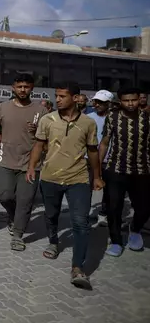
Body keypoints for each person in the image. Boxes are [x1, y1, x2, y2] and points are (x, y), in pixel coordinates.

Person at [26, 81, 103, 290]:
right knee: (51, 215)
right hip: (50, 177)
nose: (58, 99)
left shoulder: (88, 123)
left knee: (81, 222)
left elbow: (93, 151)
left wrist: (96, 176)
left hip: (78, 179)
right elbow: (39, 145)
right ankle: (53, 241)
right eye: (56, 96)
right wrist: (32, 167)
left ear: (76, 98)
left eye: (62, 96)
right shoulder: (47, 120)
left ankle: (78, 267)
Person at [0, 74, 47, 252]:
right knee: (5, 196)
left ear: (32, 88)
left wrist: (38, 131)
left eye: (26, 87)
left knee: (25, 200)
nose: (22, 90)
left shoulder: (41, 112)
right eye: (19, 86)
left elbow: (48, 139)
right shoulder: (2, 108)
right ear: (13, 87)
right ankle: (13, 217)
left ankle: (18, 234)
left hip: (31, 164)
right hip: (6, 162)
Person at [99, 87, 150, 257]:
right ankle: (115, 241)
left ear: (140, 99)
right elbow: (105, 143)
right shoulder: (112, 117)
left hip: (142, 171)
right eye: (126, 100)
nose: (130, 104)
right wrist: (98, 168)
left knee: (144, 207)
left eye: (134, 100)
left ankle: (135, 229)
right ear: (120, 101)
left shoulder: (147, 118)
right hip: (115, 170)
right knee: (113, 208)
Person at [87, 90, 113, 227]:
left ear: (109, 103)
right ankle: (84, 213)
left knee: (108, 190)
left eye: (101, 102)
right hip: (88, 159)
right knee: (86, 188)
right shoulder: (88, 117)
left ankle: (103, 214)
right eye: (96, 102)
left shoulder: (115, 118)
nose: (97, 105)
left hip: (109, 160)